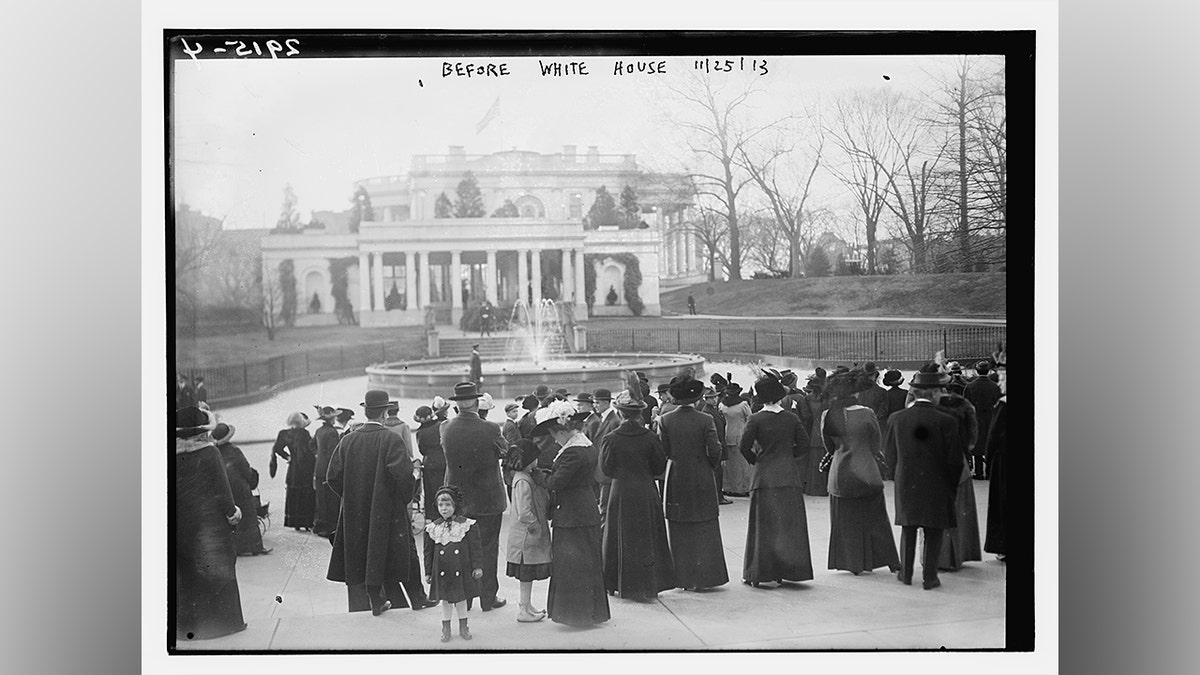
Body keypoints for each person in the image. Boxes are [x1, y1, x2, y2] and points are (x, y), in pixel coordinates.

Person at [325, 390, 417, 615]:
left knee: (362, 553)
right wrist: (400, 499)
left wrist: (352, 496)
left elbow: (332, 477)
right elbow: (404, 476)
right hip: (386, 510)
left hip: (355, 510)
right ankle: (412, 598)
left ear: (365, 411)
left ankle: (374, 600)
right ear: (385, 413)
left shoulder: (348, 440)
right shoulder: (391, 438)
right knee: (393, 553)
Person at [883, 366, 965, 590]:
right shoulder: (946, 421)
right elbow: (955, 460)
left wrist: (897, 474)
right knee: (934, 530)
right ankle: (930, 577)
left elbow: (889, 455)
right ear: (932, 392)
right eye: (940, 391)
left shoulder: (896, 418)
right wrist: (950, 485)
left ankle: (906, 574)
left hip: (906, 480)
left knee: (908, 528)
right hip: (937, 483)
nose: (942, 395)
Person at [531, 401, 611, 626]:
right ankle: (590, 612)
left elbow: (557, 482)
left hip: (572, 515)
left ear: (563, 430)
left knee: (572, 565)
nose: (554, 439)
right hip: (583, 510)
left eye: (554, 434)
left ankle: (576, 614)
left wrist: (537, 474)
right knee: (586, 562)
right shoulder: (584, 446)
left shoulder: (572, 452)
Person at [818, 371, 900, 576]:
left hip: (840, 474)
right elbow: (875, 444)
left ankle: (853, 563)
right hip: (866, 471)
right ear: (856, 393)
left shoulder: (828, 415)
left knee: (845, 522)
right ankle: (888, 559)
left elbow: (829, 447)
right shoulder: (867, 413)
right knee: (877, 519)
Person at [175, 406, 246, 641]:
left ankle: (188, 626)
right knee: (218, 570)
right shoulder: (210, 453)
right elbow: (223, 491)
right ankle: (224, 624)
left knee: (186, 573)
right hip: (210, 524)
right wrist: (232, 513)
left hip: (180, 522)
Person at [738, 374, 814, 587]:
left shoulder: (756, 419)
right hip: (788, 476)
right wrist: (789, 457)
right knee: (789, 526)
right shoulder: (791, 418)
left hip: (764, 477)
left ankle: (759, 572)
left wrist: (757, 460)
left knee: (763, 527)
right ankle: (790, 570)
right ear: (780, 397)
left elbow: (744, 447)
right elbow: (804, 444)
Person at [600, 389, 676, 600]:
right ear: (638, 414)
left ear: (621, 414)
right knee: (646, 535)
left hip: (621, 491)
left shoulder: (611, 438)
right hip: (645, 490)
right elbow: (659, 465)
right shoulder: (650, 437)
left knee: (619, 534)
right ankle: (649, 582)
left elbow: (606, 469)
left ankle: (616, 582)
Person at [441, 382, 509, 612]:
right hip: (488, 499)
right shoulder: (490, 428)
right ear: (474, 402)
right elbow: (504, 451)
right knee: (488, 549)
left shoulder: (445, 428)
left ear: (458, 403)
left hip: (459, 499)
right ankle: (488, 598)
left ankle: (466, 598)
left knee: (462, 549)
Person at [658, 375, 729, 591]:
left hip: (677, 475)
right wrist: (709, 465)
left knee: (679, 525)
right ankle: (707, 576)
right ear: (696, 399)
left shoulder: (665, 420)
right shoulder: (705, 419)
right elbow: (715, 449)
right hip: (701, 475)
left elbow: (663, 450)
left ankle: (683, 576)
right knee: (705, 523)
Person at [383, 400, 436, 610]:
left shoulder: (365, 436)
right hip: (398, 499)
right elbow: (409, 454)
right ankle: (417, 597)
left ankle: (396, 600)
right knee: (407, 552)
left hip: (381, 506)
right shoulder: (402, 428)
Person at [424, 485, 484, 641]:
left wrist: (477, 566)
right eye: (441, 505)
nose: (444, 509)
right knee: (445, 601)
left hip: (461, 569)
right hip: (442, 571)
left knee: (461, 599)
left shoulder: (466, 525)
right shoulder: (433, 528)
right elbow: (428, 552)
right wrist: (428, 572)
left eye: (448, 505)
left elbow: (475, 548)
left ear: (455, 506)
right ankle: (446, 628)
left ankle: (464, 627)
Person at [933, 380, 983, 572]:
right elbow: (973, 435)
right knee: (960, 509)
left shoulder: (932, 408)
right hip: (959, 462)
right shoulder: (964, 406)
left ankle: (939, 557)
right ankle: (958, 554)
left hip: (935, 462)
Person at [503, 440, 551, 622]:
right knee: (526, 573)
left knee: (527, 575)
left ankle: (527, 605)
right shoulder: (523, 480)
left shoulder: (523, 476)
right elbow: (524, 512)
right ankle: (523, 609)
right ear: (530, 460)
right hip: (526, 537)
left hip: (525, 536)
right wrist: (535, 526)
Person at [213, 422, 271, 556]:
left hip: (224, 488)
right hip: (239, 487)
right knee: (249, 515)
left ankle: (235, 547)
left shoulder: (214, 452)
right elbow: (246, 469)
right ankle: (255, 546)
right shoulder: (234, 450)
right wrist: (253, 479)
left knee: (229, 517)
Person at [272, 411, 316, 531]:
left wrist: (288, 457)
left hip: (293, 469)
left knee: (294, 494)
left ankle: (295, 522)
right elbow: (309, 452)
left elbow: (277, 448)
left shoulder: (285, 434)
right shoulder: (304, 434)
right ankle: (307, 522)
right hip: (305, 468)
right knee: (306, 494)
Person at [984, 364, 1008, 560]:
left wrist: (989, 459)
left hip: (1004, 460)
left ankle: (1002, 546)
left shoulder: (1003, 404)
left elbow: (993, 437)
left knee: (1002, 504)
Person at [964, 361, 1003, 479]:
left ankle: (979, 471)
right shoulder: (995, 387)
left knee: (977, 444)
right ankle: (990, 471)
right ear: (989, 371)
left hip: (976, 418)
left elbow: (965, 405)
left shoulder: (970, 387)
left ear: (976, 371)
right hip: (991, 418)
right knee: (990, 443)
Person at [587, 387, 621, 522]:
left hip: (607, 471)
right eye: (594, 403)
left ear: (606, 403)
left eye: (597, 403)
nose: (595, 406)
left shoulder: (614, 421)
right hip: (602, 470)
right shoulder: (604, 418)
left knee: (605, 506)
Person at [413, 406, 446, 535]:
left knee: (432, 491)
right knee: (445, 486)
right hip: (444, 461)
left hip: (430, 464)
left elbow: (422, 450)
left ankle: (434, 516)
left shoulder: (420, 433)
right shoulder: (440, 426)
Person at [311, 406, 342, 539]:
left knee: (321, 499)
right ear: (331, 418)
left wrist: (318, 454)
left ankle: (320, 525)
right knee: (331, 499)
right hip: (328, 468)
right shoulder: (332, 432)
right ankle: (330, 527)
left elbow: (311, 445)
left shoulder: (319, 431)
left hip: (319, 467)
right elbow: (333, 453)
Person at [697, 387, 732, 505]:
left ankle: (718, 495)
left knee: (718, 473)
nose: (714, 399)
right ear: (706, 399)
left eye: (715, 397)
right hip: (715, 445)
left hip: (719, 443)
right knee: (716, 473)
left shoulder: (714, 410)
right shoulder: (707, 412)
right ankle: (717, 496)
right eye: (711, 398)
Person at [719, 382, 753, 497]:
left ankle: (729, 487)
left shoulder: (722, 404)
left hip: (726, 434)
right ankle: (743, 487)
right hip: (740, 433)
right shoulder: (743, 404)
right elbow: (750, 418)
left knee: (729, 464)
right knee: (742, 463)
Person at [801, 373, 831, 497]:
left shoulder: (807, 399)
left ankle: (812, 488)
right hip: (824, 430)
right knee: (824, 458)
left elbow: (806, 417)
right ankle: (823, 488)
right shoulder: (828, 399)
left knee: (813, 461)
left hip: (813, 430)